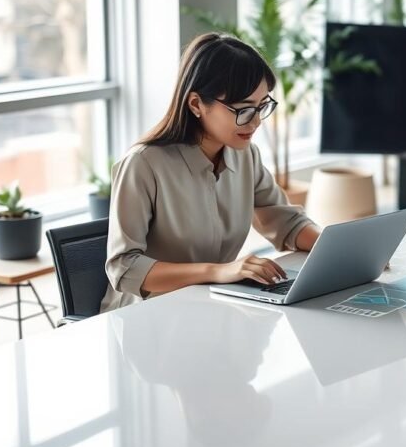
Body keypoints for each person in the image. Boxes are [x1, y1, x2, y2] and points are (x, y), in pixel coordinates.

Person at [101, 33, 320, 312]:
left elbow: (286, 222)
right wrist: (218, 271)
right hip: (145, 315)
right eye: (243, 109)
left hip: (212, 305)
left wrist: (336, 249)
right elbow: (124, 268)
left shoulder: (245, 155)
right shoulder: (143, 164)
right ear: (196, 104)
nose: (255, 121)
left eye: (262, 106)